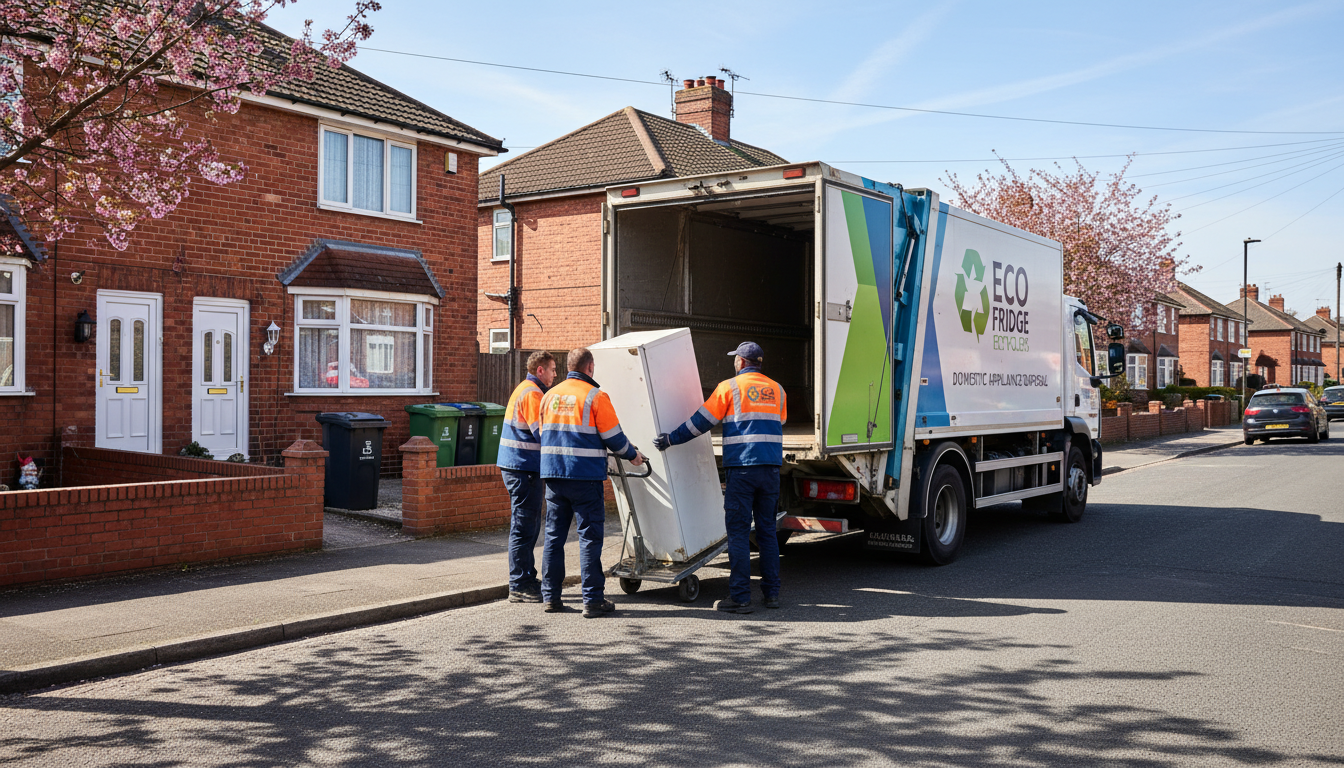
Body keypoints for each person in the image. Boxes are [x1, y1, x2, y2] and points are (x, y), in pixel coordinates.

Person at [653, 341, 785, 614]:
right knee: (767, 533)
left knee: (738, 533)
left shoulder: (730, 388)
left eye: (734, 358)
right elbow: (779, 421)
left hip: (742, 469)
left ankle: (740, 598)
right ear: (759, 363)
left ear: (740, 362)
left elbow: (700, 422)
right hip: (771, 469)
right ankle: (772, 595)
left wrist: (670, 439)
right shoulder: (778, 389)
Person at [539, 347, 646, 618]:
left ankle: (551, 597)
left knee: (553, 537)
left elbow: (544, 433)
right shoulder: (595, 396)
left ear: (568, 368)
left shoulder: (549, 396)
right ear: (590, 368)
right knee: (589, 538)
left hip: (553, 475)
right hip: (584, 477)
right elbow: (614, 437)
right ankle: (593, 600)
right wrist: (634, 456)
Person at [497, 350, 558, 603]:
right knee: (524, 527)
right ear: (540, 370)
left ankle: (525, 578)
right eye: (553, 369)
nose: (556, 374)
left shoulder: (526, 389)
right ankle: (520, 583)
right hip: (523, 470)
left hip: (520, 468)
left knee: (528, 525)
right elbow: (543, 433)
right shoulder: (533, 393)